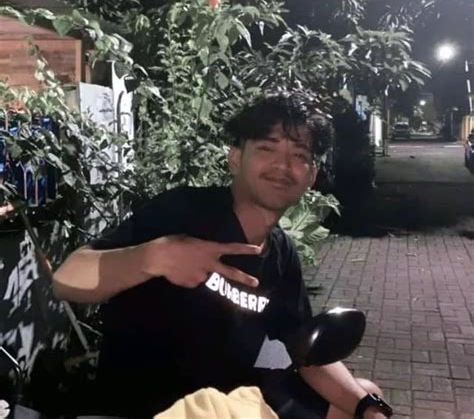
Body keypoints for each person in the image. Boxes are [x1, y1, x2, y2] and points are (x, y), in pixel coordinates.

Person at [53, 94, 390, 418]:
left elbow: (304, 351)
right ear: (235, 158)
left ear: (311, 177)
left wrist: (368, 406)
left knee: (363, 393)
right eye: (267, 148)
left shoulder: (281, 253)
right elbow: (66, 279)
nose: (283, 165)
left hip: (232, 402)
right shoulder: (185, 212)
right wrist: (154, 256)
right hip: (153, 408)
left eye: (299, 155)